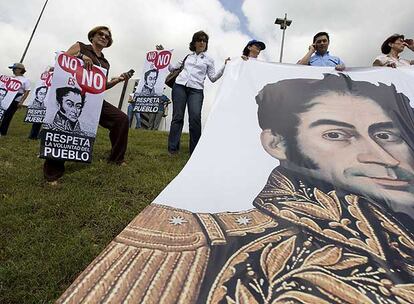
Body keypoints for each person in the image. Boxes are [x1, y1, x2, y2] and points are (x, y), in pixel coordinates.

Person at [58, 73, 414, 304]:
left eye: (386, 134)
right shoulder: (183, 247)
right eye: (336, 134)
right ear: (277, 144)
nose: (380, 156)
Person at [43, 25, 132, 184]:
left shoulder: (104, 62)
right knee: (64, 128)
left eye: (107, 36)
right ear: (92, 36)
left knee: (121, 119)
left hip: (93, 99)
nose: (104, 37)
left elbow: (102, 86)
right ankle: (52, 173)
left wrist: (117, 81)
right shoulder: (80, 46)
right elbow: (62, 58)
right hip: (72, 95)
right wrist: (81, 56)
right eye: (101, 34)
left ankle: (116, 159)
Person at [165, 30, 230, 155]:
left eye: (204, 41)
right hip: (179, 86)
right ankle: (172, 149)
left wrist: (225, 66)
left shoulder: (209, 60)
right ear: (194, 43)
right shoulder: (187, 57)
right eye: (199, 40)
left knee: (195, 118)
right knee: (177, 117)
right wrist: (165, 56)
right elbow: (172, 68)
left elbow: (213, 78)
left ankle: (194, 152)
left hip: (196, 90)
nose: (202, 42)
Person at [0, 63, 31, 136]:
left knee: (8, 116)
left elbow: (27, 91)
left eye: (14, 68)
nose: (13, 70)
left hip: (15, 100)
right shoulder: (11, 78)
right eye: (13, 69)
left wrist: (21, 101)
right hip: (6, 99)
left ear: (20, 70)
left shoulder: (25, 80)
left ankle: (2, 132)